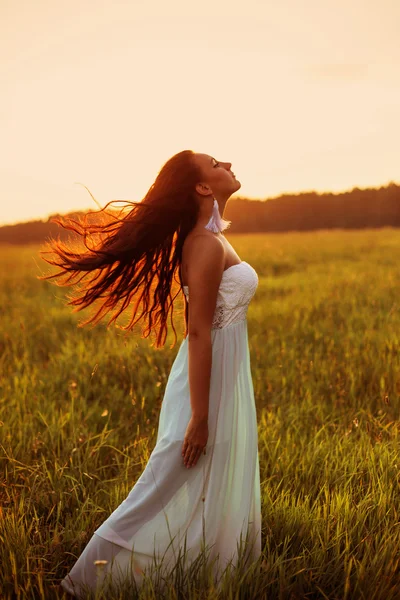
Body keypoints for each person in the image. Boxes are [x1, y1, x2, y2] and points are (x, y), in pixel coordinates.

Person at [39, 150, 261, 596]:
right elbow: (197, 333)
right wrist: (199, 416)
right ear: (201, 187)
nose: (229, 163)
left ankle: (196, 569)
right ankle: (78, 584)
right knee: (163, 481)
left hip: (222, 376)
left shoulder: (215, 238)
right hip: (204, 382)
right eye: (216, 163)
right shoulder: (203, 244)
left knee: (200, 476)